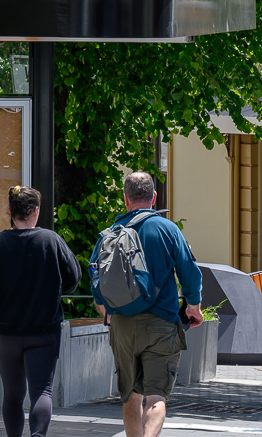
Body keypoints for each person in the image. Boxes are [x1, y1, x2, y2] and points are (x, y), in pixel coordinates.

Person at [0, 185, 80, 437]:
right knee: (41, 391)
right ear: (35, 212)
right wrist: (53, 290)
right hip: (44, 332)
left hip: (7, 333)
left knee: (12, 396)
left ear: (11, 212)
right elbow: (73, 278)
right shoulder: (51, 241)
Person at [91, 171, 202, 437]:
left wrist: (108, 313)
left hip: (122, 327)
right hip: (161, 325)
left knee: (131, 397)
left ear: (126, 199)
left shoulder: (110, 233)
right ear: (153, 198)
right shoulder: (167, 229)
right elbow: (189, 272)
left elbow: (96, 279)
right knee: (156, 398)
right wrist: (193, 307)